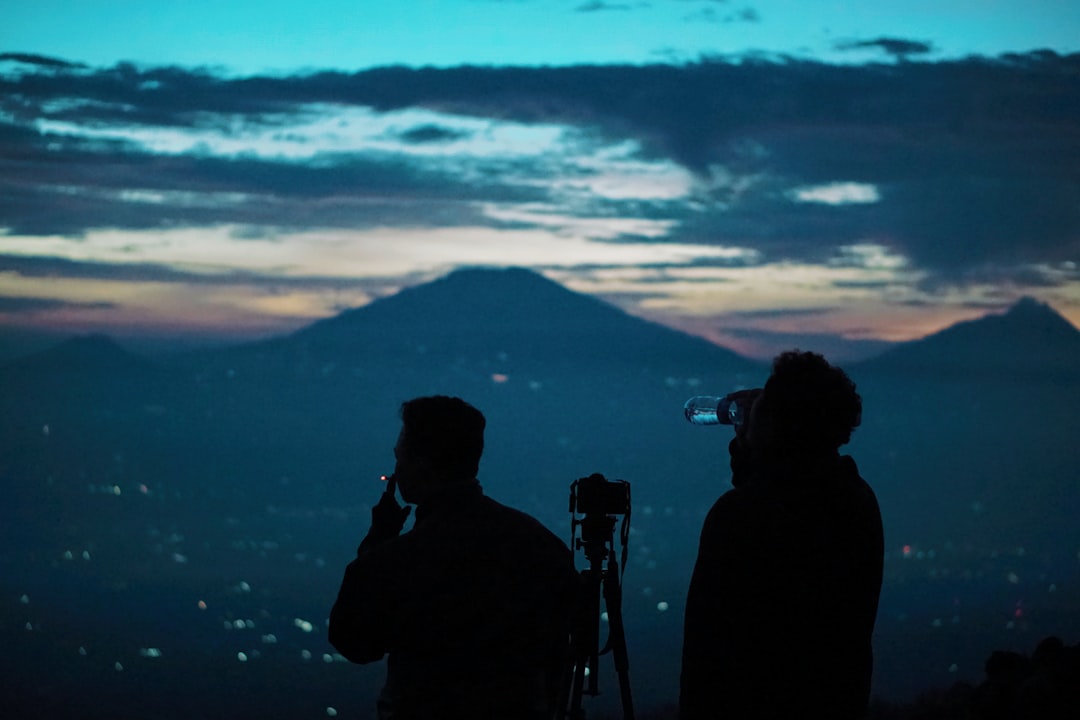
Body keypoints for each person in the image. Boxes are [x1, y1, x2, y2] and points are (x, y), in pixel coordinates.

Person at [329, 395, 579, 720]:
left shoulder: (404, 558)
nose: (396, 471)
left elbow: (353, 640)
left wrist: (377, 543)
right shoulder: (541, 544)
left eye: (400, 458)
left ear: (421, 465)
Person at [680, 350, 884, 720]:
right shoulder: (857, 500)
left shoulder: (738, 517)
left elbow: (708, 652)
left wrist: (749, 451)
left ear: (775, 427)